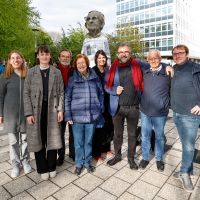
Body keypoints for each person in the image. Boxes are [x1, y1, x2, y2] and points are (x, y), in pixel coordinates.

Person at [105, 43, 149, 169]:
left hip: (133, 107)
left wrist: (168, 67)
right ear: (117, 54)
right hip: (117, 107)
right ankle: (117, 156)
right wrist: (114, 90)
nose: (123, 54)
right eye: (120, 52)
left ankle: (131, 158)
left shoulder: (138, 64)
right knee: (117, 134)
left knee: (132, 135)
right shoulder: (112, 68)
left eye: (126, 52)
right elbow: (106, 86)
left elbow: (154, 64)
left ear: (130, 53)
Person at [23, 45, 64, 180]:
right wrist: (28, 113)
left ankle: (51, 166)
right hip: (36, 110)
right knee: (37, 138)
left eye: (47, 54)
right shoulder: (31, 72)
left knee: (52, 137)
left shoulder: (56, 72)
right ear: (38, 56)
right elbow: (26, 93)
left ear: (50, 56)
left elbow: (61, 92)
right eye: (42, 54)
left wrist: (60, 110)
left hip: (52, 108)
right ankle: (42, 167)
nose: (45, 56)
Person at [65, 54, 104, 175]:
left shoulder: (94, 77)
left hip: (92, 116)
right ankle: (78, 164)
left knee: (88, 142)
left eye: (83, 62)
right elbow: (67, 98)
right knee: (78, 143)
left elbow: (100, 94)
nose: (81, 65)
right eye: (78, 63)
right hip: (77, 118)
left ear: (87, 63)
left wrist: (99, 109)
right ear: (76, 66)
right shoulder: (73, 79)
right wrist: (68, 115)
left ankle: (87, 162)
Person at [171, 44, 200, 192]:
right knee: (185, 145)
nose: (177, 55)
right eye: (175, 53)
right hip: (176, 113)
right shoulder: (174, 69)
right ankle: (187, 169)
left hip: (190, 116)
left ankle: (184, 173)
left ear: (187, 54)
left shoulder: (195, 68)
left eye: (181, 53)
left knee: (188, 147)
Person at [0, 50, 31, 178]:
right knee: (13, 142)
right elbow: (0, 96)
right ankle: (15, 165)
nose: (15, 60)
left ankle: (25, 162)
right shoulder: (4, 76)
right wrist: (0, 113)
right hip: (10, 115)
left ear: (22, 59)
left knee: (25, 140)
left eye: (18, 57)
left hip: (25, 114)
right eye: (13, 58)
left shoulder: (27, 75)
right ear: (9, 61)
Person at [139, 49, 171, 172]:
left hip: (160, 113)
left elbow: (172, 90)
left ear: (160, 58)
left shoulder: (167, 73)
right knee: (145, 136)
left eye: (155, 58)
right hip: (145, 111)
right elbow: (134, 61)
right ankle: (145, 158)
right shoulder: (145, 72)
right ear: (147, 60)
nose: (153, 60)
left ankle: (159, 159)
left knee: (159, 137)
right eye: (150, 59)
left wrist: (167, 105)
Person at [92, 50, 114, 160]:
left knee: (108, 126)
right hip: (97, 103)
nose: (102, 59)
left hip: (108, 101)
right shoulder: (92, 71)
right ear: (96, 59)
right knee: (98, 128)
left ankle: (107, 148)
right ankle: (96, 152)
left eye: (103, 57)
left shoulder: (108, 70)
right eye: (99, 58)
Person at [56, 49, 74, 166]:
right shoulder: (54, 70)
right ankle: (61, 155)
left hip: (72, 105)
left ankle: (73, 153)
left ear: (70, 58)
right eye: (63, 56)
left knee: (73, 132)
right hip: (59, 106)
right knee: (59, 132)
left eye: (68, 56)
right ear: (59, 57)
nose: (65, 58)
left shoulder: (74, 70)